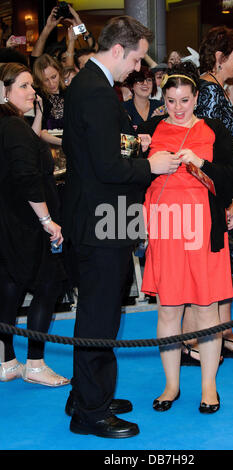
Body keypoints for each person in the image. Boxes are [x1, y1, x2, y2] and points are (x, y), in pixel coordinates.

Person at [62, 15, 181, 439]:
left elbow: (99, 154)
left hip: (99, 216)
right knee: (100, 316)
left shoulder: (92, 86)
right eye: (136, 59)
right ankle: (90, 413)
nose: (138, 68)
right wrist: (151, 165)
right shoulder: (95, 91)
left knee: (98, 313)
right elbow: (107, 167)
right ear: (118, 50)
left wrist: (133, 146)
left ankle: (87, 394)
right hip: (101, 221)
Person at [139, 61, 233, 413]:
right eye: (171, 101)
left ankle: (208, 387)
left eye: (185, 100)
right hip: (165, 229)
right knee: (168, 309)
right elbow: (130, 172)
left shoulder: (214, 130)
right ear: (163, 99)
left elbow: (232, 177)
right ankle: (171, 385)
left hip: (204, 231)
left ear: (197, 97)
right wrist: (144, 156)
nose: (178, 107)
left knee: (206, 310)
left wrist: (201, 163)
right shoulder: (151, 127)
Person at [181, 26, 233, 363]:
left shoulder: (214, 90)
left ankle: (221, 334)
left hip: (220, 188)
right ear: (220, 57)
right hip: (211, 191)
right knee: (209, 270)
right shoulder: (208, 92)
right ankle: (196, 341)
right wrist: (223, 199)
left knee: (222, 270)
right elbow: (205, 150)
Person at [0, 62, 68, 386]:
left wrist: (35, 116)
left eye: (32, 85)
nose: (33, 91)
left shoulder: (10, 125)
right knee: (48, 286)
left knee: (10, 288)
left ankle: (7, 360)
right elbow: (27, 178)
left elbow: (27, 149)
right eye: (24, 86)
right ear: (4, 90)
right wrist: (47, 221)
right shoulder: (12, 128)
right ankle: (36, 363)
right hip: (29, 224)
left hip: (12, 223)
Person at [33, 53, 66, 145]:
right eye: (46, 80)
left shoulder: (70, 91)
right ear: (39, 81)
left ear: (59, 72)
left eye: (53, 77)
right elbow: (40, 131)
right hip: (47, 146)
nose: (51, 83)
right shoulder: (38, 98)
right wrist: (65, 143)